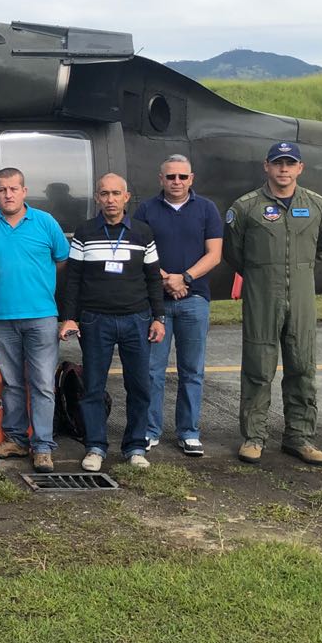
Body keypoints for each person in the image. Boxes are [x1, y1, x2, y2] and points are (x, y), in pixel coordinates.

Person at [223, 141, 322, 466]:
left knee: (302, 366)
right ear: (267, 166)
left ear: (300, 168)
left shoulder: (317, 205)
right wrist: (264, 272)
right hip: (262, 295)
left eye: (290, 163)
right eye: (278, 163)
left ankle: (299, 437)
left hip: (301, 296)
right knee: (258, 366)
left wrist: (299, 269)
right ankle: (254, 437)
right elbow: (233, 253)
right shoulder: (246, 207)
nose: (283, 169)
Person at [0, 167, 69, 472]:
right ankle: (17, 439)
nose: (8, 194)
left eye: (14, 189)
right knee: (11, 383)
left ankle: (43, 446)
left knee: (43, 383)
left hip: (41, 316)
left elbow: (62, 261)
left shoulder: (45, 223)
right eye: (2, 189)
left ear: (24, 191)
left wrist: (39, 284)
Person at [58, 173, 166, 471]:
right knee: (93, 387)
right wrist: (69, 317)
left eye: (116, 193)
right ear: (97, 198)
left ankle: (135, 447)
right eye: (104, 194)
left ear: (126, 197)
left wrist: (158, 318)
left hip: (136, 319)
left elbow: (153, 279)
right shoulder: (85, 232)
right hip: (95, 320)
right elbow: (73, 279)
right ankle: (95, 446)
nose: (110, 199)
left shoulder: (143, 232)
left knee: (139, 386)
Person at [133, 154, 222, 457]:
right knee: (151, 370)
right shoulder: (146, 209)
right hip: (156, 302)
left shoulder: (207, 209)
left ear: (191, 179)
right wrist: (165, 280)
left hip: (194, 300)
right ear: (161, 179)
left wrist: (184, 277)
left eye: (183, 176)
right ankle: (149, 430)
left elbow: (214, 254)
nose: (177, 182)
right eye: (170, 176)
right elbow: (139, 251)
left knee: (192, 370)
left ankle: (189, 432)